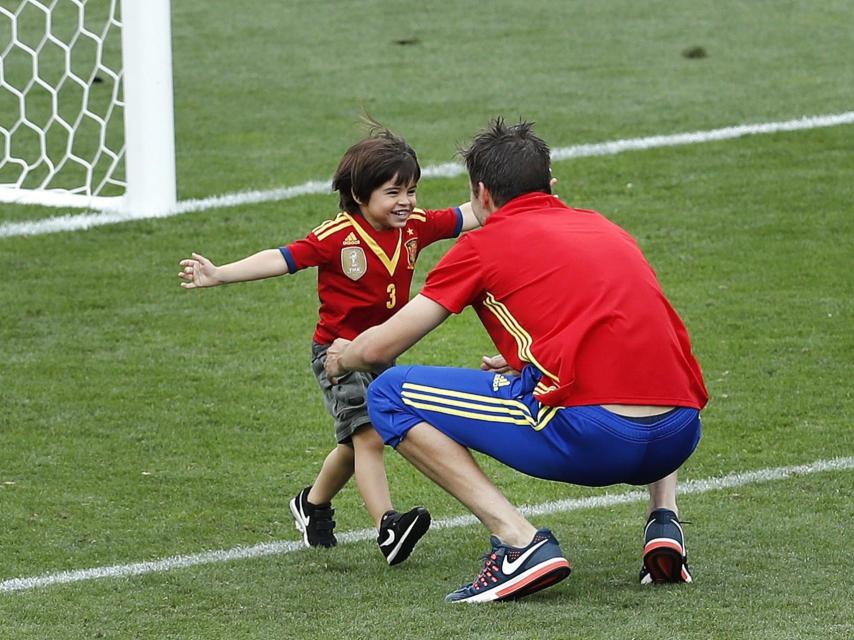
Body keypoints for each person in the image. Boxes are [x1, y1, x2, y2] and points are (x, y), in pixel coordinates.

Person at [324, 118, 708, 602]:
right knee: (648, 359)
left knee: (387, 393)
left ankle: (518, 542)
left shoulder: (481, 245)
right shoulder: (605, 227)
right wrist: (530, 360)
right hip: (679, 434)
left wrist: (344, 358)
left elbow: (381, 348)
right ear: (550, 185)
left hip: (598, 439)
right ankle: (664, 519)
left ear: (482, 194)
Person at [178, 122, 480, 566]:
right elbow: (281, 258)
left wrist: (524, 195)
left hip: (380, 351)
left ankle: (312, 504)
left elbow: (470, 213)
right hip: (337, 355)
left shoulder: (416, 227)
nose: (406, 202)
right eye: (393, 193)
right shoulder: (336, 236)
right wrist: (220, 273)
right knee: (369, 433)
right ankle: (388, 526)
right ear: (359, 195)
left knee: (354, 442)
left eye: (411, 190)